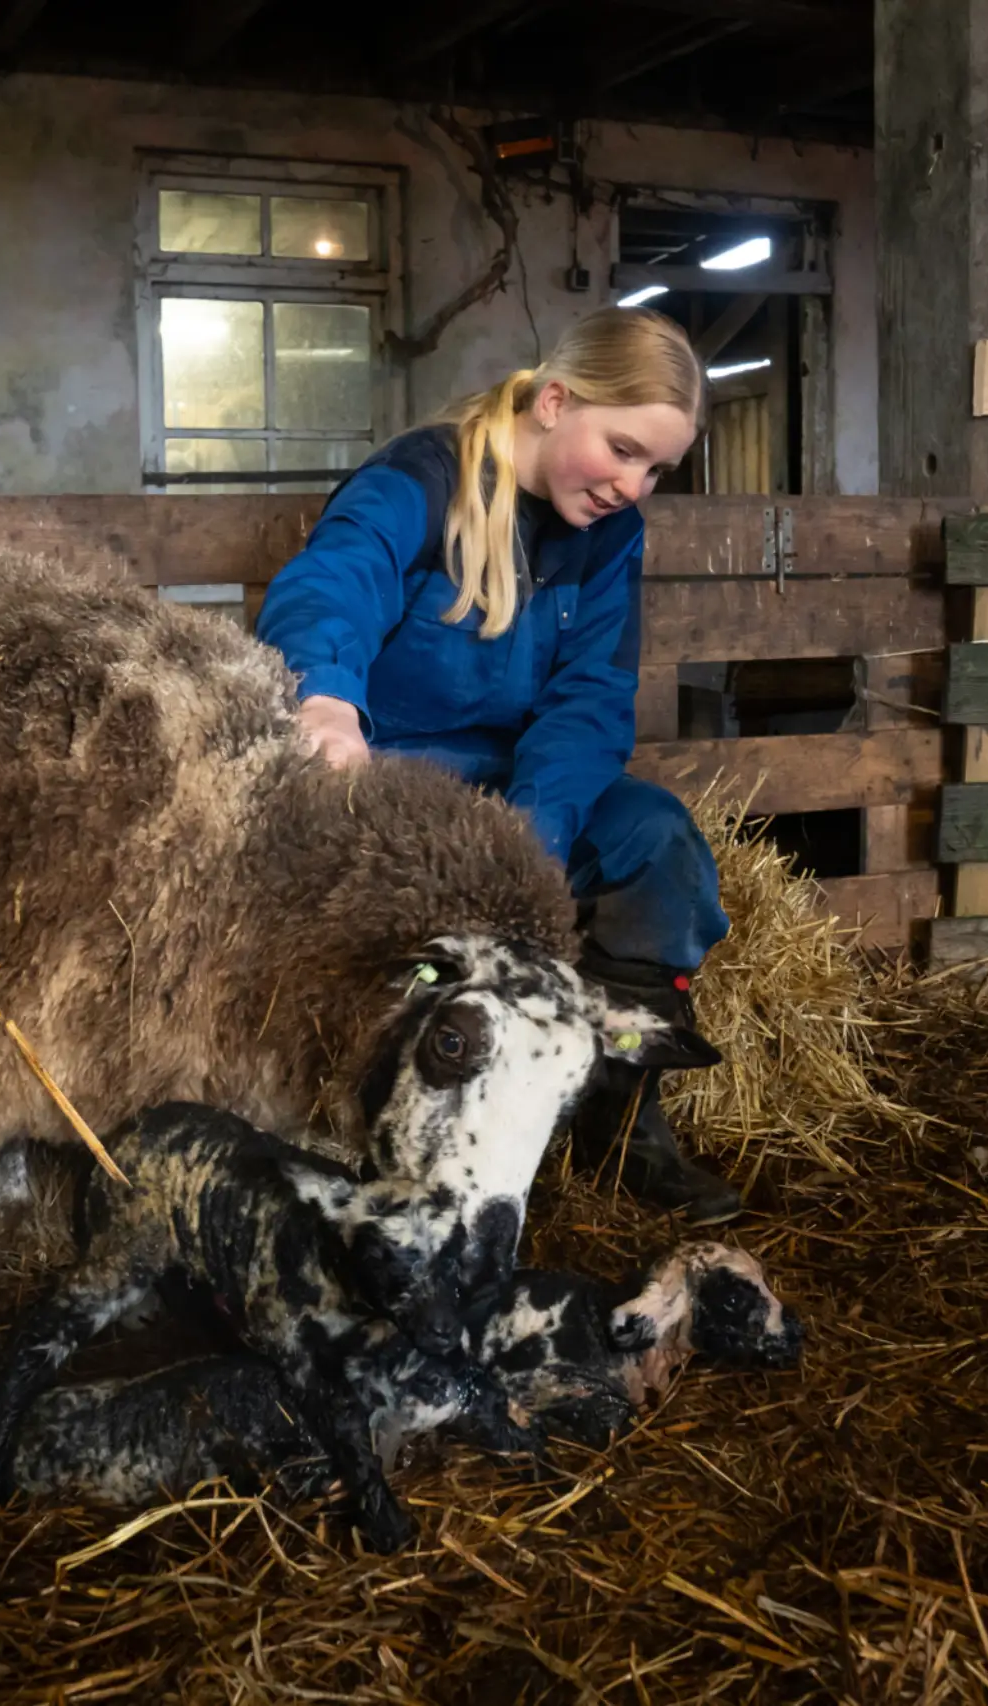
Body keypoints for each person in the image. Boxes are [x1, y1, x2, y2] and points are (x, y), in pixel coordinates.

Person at [255, 308, 741, 1224]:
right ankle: (385, 1131)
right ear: (555, 402)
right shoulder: (421, 481)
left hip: (517, 784)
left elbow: (592, 696)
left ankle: (619, 1118)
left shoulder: (605, 535)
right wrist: (324, 700)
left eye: (658, 470)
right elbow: (333, 583)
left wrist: (535, 834)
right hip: (395, 785)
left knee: (657, 842)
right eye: (624, 449)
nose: (633, 486)